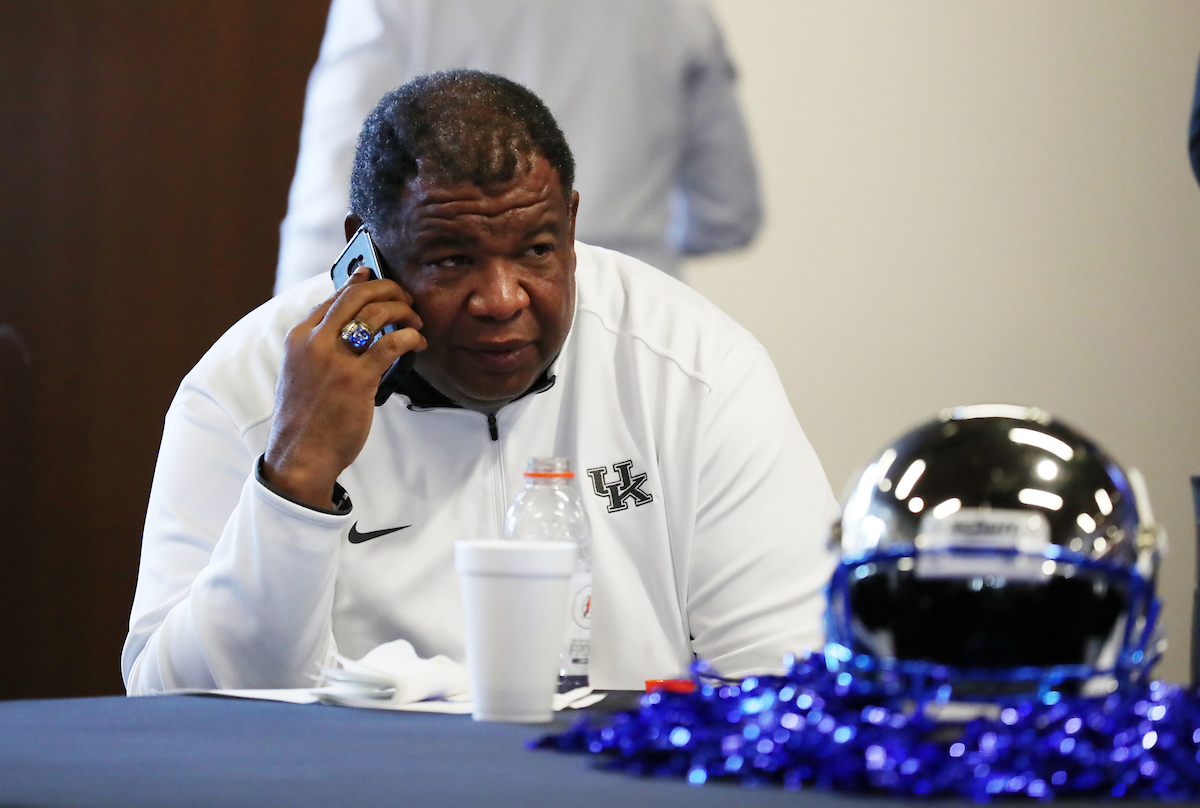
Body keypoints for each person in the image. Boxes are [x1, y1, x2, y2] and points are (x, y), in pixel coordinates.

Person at [122, 71, 837, 695]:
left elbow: (798, 671)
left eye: (535, 249)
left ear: (572, 223)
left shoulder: (694, 366)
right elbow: (168, 703)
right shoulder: (247, 384)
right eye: (451, 259)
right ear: (367, 251)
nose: (502, 299)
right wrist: (296, 472)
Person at [273, 0, 762, 293]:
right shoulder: (678, 8)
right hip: (635, 326)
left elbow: (329, 199)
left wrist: (291, 353)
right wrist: (624, 244)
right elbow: (728, 214)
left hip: (462, 335)